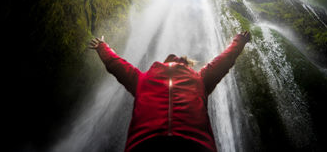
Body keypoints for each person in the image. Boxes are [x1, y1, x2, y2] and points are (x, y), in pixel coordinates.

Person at [89, 31, 251, 152]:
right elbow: (222, 61)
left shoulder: (143, 79)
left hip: (143, 142)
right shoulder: (199, 79)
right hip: (196, 143)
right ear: (187, 64)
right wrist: (239, 41)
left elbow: (118, 65)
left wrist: (102, 47)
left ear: (163, 63)